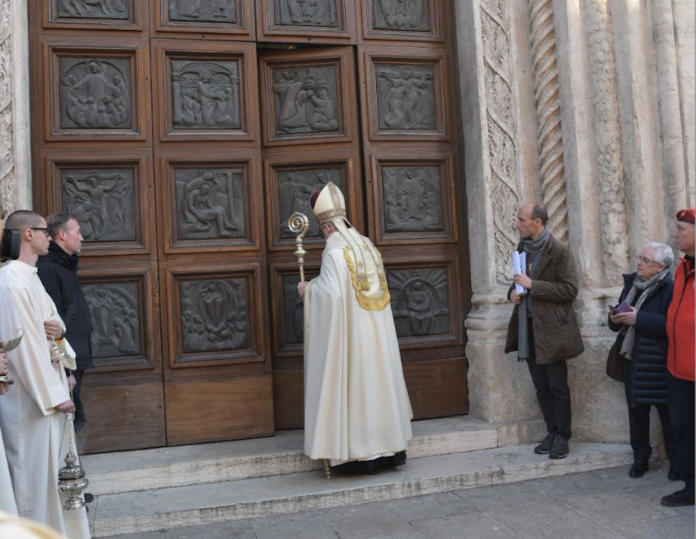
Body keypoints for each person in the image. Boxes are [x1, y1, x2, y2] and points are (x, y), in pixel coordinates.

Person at [298, 182, 413, 474]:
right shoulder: (365, 244)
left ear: (325, 227)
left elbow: (332, 294)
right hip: (376, 335)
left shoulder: (334, 251)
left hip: (352, 337)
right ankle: (389, 451)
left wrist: (307, 290)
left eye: (322, 231)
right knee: (377, 386)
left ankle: (359, 454)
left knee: (356, 386)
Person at [0, 210, 90, 537]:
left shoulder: (32, 275)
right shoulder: (11, 280)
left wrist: (59, 336)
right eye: (44, 232)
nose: (49, 238)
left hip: (49, 395)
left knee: (51, 479)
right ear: (27, 234)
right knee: (31, 479)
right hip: (29, 401)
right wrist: (55, 394)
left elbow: (54, 327)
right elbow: (20, 347)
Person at [505, 203, 584, 459]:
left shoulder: (558, 250)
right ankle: (551, 431)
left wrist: (534, 285)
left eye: (521, 220)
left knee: (557, 385)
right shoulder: (523, 247)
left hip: (552, 331)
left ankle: (563, 436)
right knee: (541, 386)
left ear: (536, 222)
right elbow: (518, 283)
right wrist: (514, 295)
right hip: (528, 327)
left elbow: (570, 290)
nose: (517, 224)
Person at [608, 242, 677, 479]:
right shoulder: (632, 284)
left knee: (667, 413)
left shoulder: (670, 287)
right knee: (636, 411)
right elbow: (615, 324)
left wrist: (639, 318)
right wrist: (615, 318)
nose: (640, 262)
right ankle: (640, 459)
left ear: (660, 267)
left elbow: (672, 325)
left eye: (646, 260)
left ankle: (677, 463)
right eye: (640, 257)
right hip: (632, 357)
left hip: (658, 359)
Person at [38, 213, 94, 432]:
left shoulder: (65, 265)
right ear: (62, 234)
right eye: (77, 232)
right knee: (69, 421)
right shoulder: (48, 269)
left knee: (74, 419)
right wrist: (66, 369)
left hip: (74, 354)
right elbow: (51, 322)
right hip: (65, 358)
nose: (82, 238)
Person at [661, 208, 695, 507]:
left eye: (681, 230)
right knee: (683, 428)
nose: (675, 234)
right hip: (678, 368)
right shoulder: (682, 268)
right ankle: (692, 486)